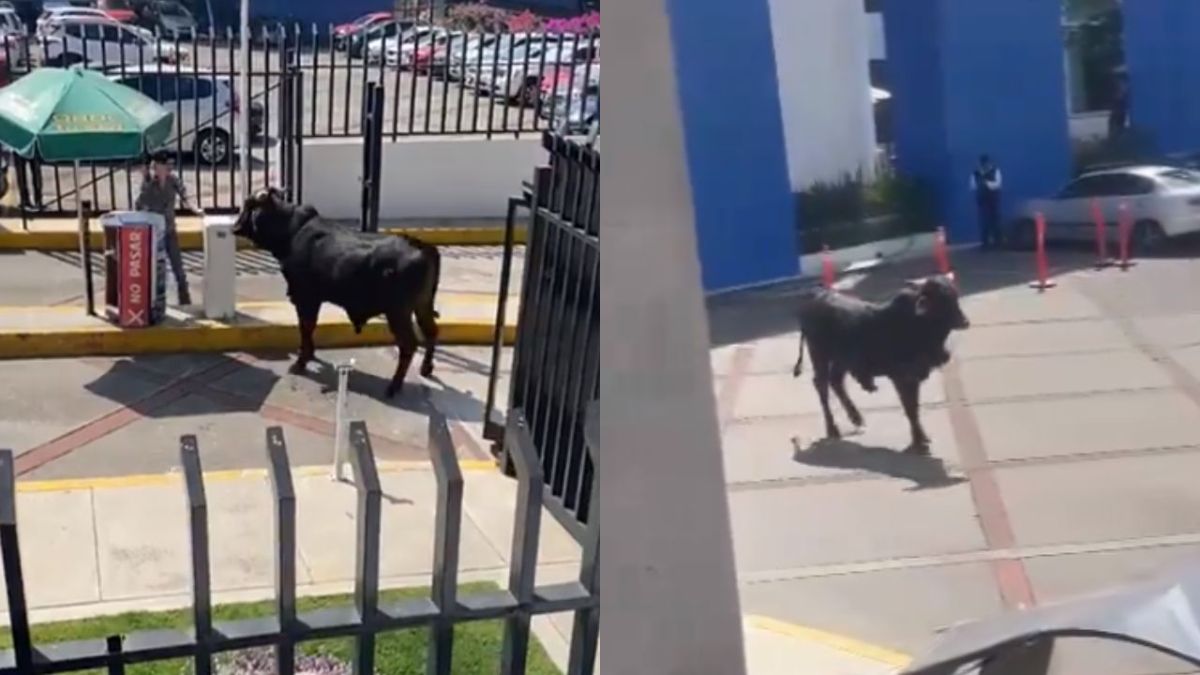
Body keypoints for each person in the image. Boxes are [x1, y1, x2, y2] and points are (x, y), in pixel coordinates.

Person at [135, 151, 203, 305]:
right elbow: (139, 205)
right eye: (166, 165)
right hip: (154, 233)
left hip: (170, 230)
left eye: (170, 165)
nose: (169, 167)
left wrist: (195, 209)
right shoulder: (149, 183)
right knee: (155, 270)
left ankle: (185, 300)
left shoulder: (173, 181)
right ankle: (154, 301)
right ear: (157, 166)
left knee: (178, 268)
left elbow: (185, 196)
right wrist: (145, 180)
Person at [970, 154, 1003, 250]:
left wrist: (986, 183)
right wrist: (980, 185)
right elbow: (973, 186)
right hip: (982, 200)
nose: (984, 165)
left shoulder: (995, 171)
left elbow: (998, 184)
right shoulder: (976, 173)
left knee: (995, 221)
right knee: (984, 222)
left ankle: (998, 243)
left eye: (986, 163)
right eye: (982, 163)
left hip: (993, 200)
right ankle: (985, 244)